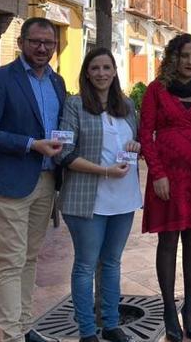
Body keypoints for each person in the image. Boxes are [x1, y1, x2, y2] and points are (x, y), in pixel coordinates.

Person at [0, 17, 66, 342]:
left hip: (46, 180)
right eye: (35, 42)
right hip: (11, 181)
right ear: (21, 43)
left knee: (29, 258)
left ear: (55, 46)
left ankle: (26, 328)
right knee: (11, 261)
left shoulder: (57, 83)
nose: (42, 48)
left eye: (48, 43)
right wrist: (30, 144)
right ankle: (11, 335)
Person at [55, 48, 140, 342]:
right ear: (87, 74)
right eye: (95, 68)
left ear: (115, 71)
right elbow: (63, 153)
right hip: (87, 198)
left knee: (113, 262)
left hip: (124, 197)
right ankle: (88, 331)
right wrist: (103, 171)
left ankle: (111, 324)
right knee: (86, 265)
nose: (102, 73)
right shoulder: (75, 105)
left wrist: (135, 147)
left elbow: (136, 142)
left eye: (106, 67)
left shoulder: (127, 105)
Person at [140, 34, 191, 341]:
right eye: (184, 56)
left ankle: (190, 308)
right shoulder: (155, 91)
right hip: (166, 179)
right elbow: (146, 134)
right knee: (168, 241)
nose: (190, 62)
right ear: (173, 58)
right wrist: (157, 174)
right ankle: (168, 309)